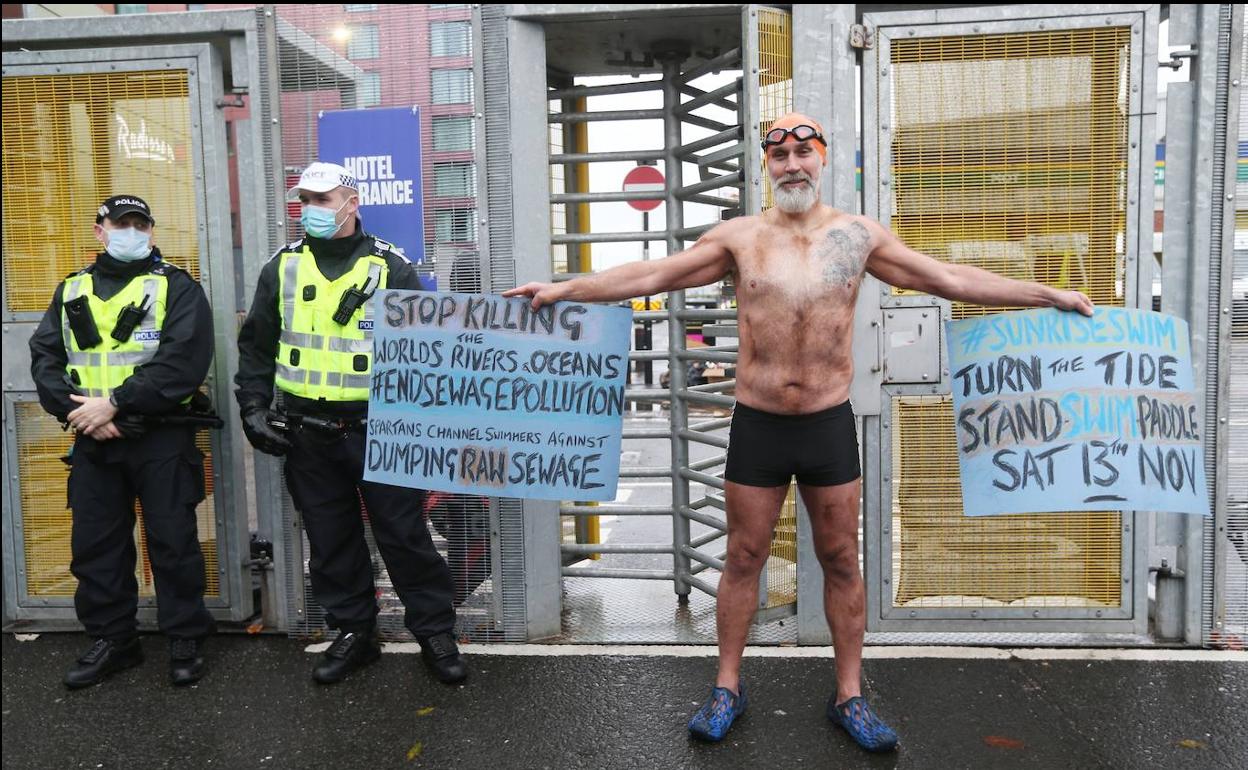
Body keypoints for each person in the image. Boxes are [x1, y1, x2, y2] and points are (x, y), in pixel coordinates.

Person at [505, 113, 1094, 752]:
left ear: (823, 156)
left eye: (802, 151)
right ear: (768, 165)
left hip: (827, 425)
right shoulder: (740, 238)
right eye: (779, 154)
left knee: (841, 558)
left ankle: (851, 696)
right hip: (758, 425)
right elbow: (652, 276)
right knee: (743, 556)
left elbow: (949, 278)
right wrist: (568, 288)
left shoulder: (858, 237)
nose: (791, 164)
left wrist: (1045, 294)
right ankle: (727, 686)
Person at [235, 162, 466, 685]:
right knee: (331, 538)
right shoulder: (283, 268)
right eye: (305, 200)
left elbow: (426, 350)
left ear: (351, 202)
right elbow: (256, 347)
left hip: (378, 427)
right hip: (306, 430)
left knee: (405, 534)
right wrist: (253, 407)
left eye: (323, 198)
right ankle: (355, 634)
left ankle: (434, 632)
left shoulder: (391, 267)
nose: (312, 209)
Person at [29, 195, 217, 688]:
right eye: (121, 223)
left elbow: (182, 363)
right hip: (95, 440)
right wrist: (79, 413)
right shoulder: (72, 289)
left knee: (173, 543)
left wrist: (113, 403)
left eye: (139, 224)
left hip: (159, 440)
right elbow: (45, 359)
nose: (130, 232)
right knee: (97, 546)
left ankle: (185, 637)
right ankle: (114, 640)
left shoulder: (177, 288)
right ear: (100, 231)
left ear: (151, 232)